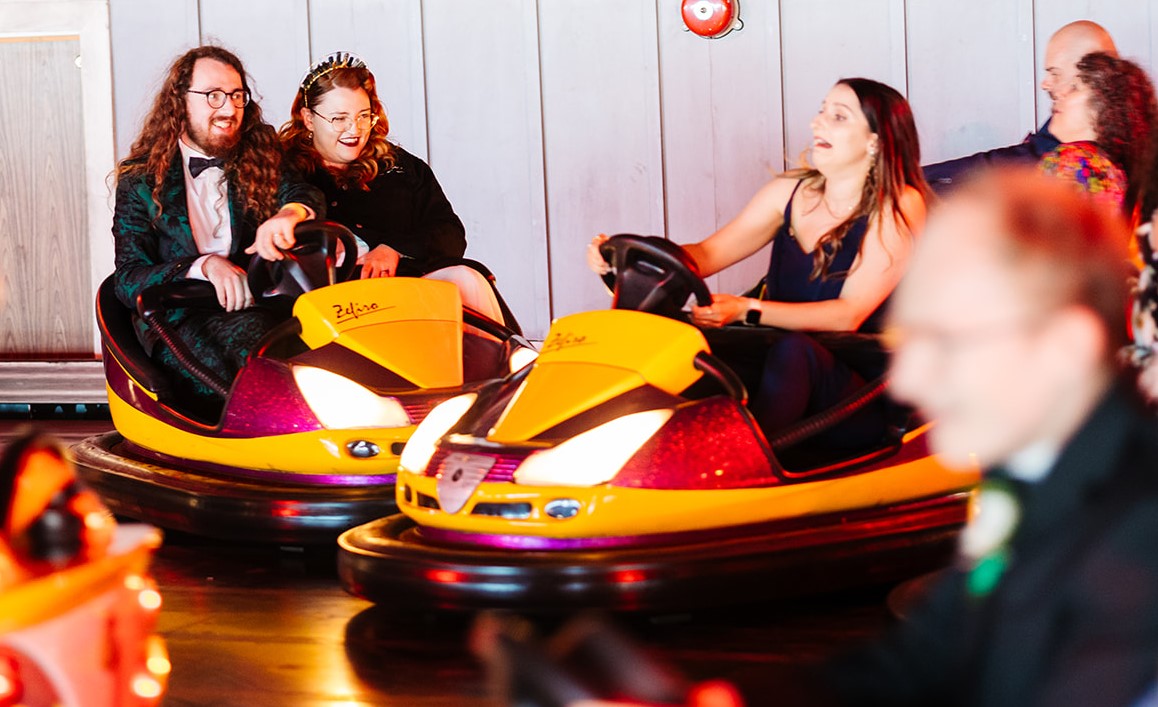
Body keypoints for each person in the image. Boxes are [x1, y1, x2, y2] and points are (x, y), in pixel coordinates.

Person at [815, 168, 1158, 706]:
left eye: (945, 341)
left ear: (1065, 347)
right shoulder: (1027, 472)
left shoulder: (1141, 537)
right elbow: (914, 662)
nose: (907, 380)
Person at [590, 78, 929, 447]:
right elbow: (705, 255)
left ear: (875, 140)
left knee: (795, 350)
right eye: (821, 111)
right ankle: (636, 449)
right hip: (783, 368)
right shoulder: (791, 192)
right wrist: (624, 260)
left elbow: (847, 315)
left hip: (861, 393)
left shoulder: (898, 204)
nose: (818, 123)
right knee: (680, 338)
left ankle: (738, 461)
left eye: (839, 117)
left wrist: (745, 310)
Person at [112, 46, 324, 409]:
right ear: (180, 100)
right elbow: (128, 280)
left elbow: (303, 192)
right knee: (260, 353)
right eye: (213, 96)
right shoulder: (140, 181)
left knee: (327, 349)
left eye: (236, 95)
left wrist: (289, 214)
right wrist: (203, 265)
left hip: (260, 310)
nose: (228, 109)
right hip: (178, 323)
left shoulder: (260, 152)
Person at [261, 52, 506, 324]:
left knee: (467, 279)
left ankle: (514, 362)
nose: (354, 129)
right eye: (339, 118)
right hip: (332, 308)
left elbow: (450, 232)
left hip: (411, 290)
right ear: (308, 119)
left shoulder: (403, 168)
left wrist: (393, 249)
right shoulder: (283, 173)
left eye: (363, 116)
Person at [924, 20, 1117, 192]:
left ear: (1092, 77)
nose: (1045, 84)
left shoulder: (1076, 162)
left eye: (1055, 73)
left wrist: (921, 180)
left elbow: (1020, 160)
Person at [1038, 52, 1157, 214]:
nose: (1060, 93)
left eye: (1075, 87)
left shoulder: (1071, 161)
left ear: (1102, 109)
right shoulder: (1115, 173)